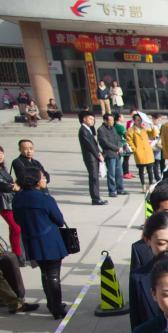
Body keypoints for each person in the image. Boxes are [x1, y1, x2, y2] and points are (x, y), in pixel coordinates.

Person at [11, 167, 68, 319]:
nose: (44, 179)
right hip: (49, 241)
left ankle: (51, 303)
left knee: (45, 273)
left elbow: (17, 220)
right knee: (53, 274)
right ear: (35, 181)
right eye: (42, 177)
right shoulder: (44, 198)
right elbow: (59, 220)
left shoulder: (18, 198)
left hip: (31, 241)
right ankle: (57, 308)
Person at [0, 145, 24, 264]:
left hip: (10, 201)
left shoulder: (2, 168)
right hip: (3, 203)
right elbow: (3, 185)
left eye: (1, 153)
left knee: (14, 228)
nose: (0, 155)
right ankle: (17, 255)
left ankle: (17, 254)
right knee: (16, 228)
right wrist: (13, 187)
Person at [77, 110, 106, 205]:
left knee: (95, 178)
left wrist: (99, 153)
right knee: (93, 178)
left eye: (93, 119)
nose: (92, 121)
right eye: (90, 119)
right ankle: (95, 199)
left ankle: (97, 197)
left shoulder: (88, 130)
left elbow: (94, 144)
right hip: (90, 158)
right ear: (84, 119)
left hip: (93, 157)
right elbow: (90, 145)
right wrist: (98, 155)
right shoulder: (83, 130)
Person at [97, 114, 127, 198]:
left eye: (113, 120)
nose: (113, 121)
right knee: (111, 173)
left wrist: (120, 146)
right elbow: (104, 142)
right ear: (105, 120)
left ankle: (120, 189)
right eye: (111, 120)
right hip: (109, 154)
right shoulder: (101, 130)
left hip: (117, 154)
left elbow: (117, 138)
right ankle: (112, 190)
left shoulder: (113, 128)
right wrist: (116, 148)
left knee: (119, 172)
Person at [127, 113, 159, 189]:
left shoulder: (144, 128)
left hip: (147, 151)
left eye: (140, 120)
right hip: (139, 152)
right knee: (141, 170)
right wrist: (134, 149)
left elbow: (153, 135)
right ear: (134, 121)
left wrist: (152, 126)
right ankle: (143, 185)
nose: (139, 121)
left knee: (150, 169)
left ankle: (151, 184)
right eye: (137, 120)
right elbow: (129, 140)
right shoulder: (131, 130)